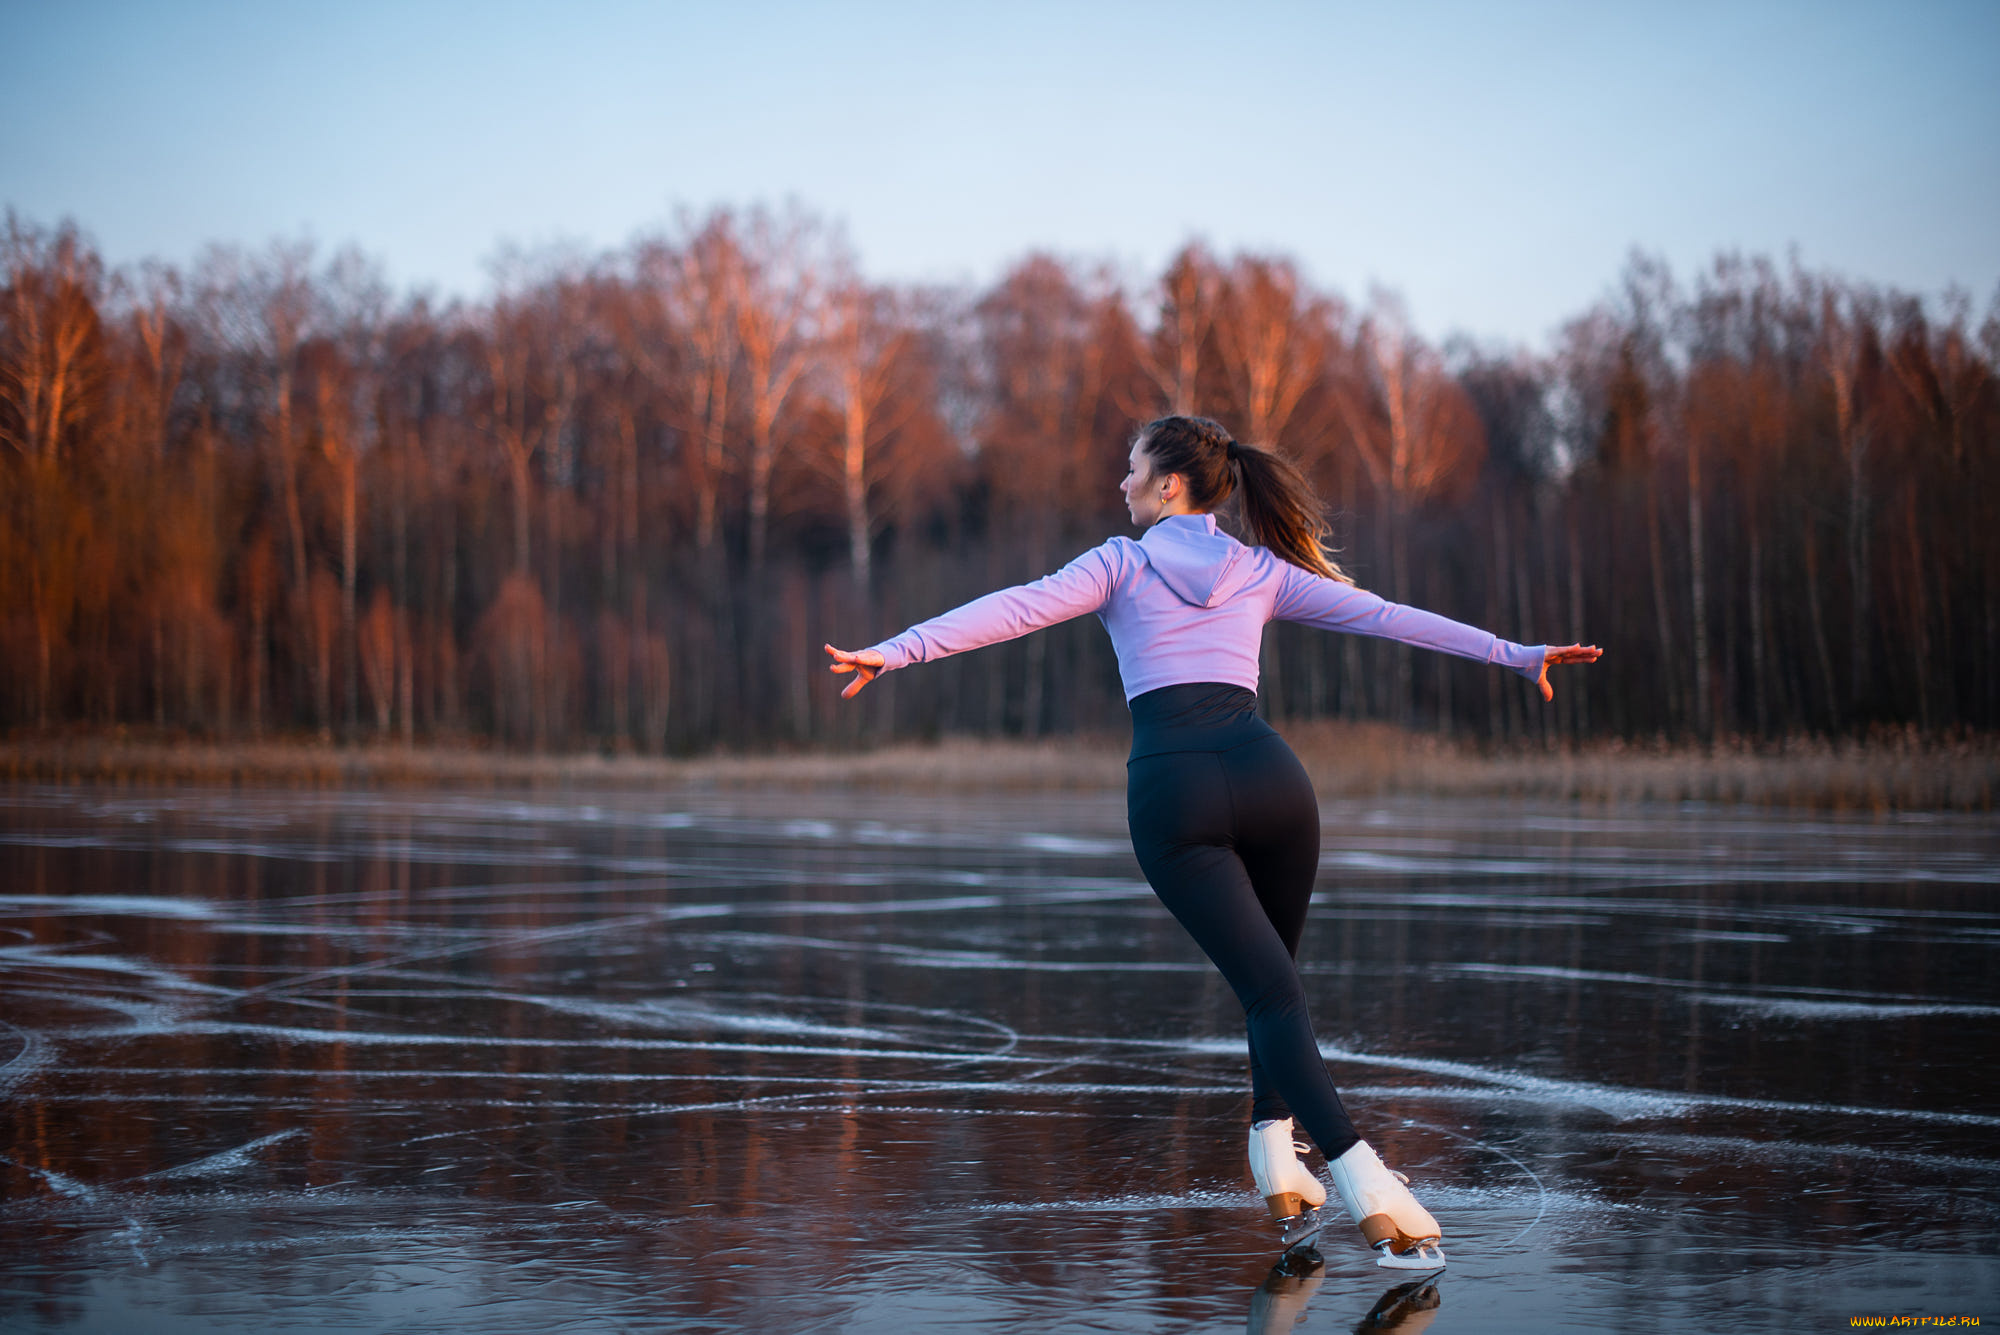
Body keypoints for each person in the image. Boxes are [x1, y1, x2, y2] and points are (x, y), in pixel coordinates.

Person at [825, 415, 1601, 1269]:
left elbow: (1014, 609)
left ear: (1168, 487)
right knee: (1274, 988)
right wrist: (1512, 651)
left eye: (1130, 470)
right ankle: (1274, 1149)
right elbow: (1385, 617)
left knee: (1271, 995)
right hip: (1274, 782)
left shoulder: (1118, 564)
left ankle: (1365, 1182)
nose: (1119, 484)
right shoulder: (1261, 569)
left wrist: (896, 652)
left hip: (1173, 793)